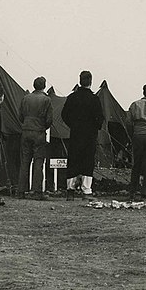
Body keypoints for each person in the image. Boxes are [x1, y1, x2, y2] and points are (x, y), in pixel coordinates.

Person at [61, 71, 105, 200]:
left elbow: (64, 115)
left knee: (73, 160)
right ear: (90, 81)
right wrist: (95, 127)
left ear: (80, 80)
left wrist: (73, 125)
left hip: (75, 133)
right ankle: (86, 191)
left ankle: (70, 190)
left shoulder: (72, 97)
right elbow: (99, 118)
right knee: (87, 161)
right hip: (90, 135)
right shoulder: (94, 99)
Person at [18, 77, 54, 200]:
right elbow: (49, 120)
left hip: (26, 131)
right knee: (38, 161)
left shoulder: (25, 98)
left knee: (25, 161)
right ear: (44, 86)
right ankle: (37, 191)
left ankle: (21, 191)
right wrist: (42, 126)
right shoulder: (46, 100)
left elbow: (20, 116)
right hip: (39, 132)